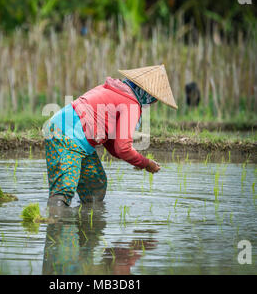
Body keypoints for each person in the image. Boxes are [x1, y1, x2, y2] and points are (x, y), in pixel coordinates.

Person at [44, 65, 178, 208]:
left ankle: (89, 223)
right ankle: (55, 222)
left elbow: (114, 145)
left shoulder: (112, 87)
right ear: (148, 94)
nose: (152, 103)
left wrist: (137, 161)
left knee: (95, 184)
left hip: (71, 134)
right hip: (66, 135)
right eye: (154, 99)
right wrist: (146, 164)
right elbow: (123, 148)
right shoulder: (131, 103)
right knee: (64, 189)